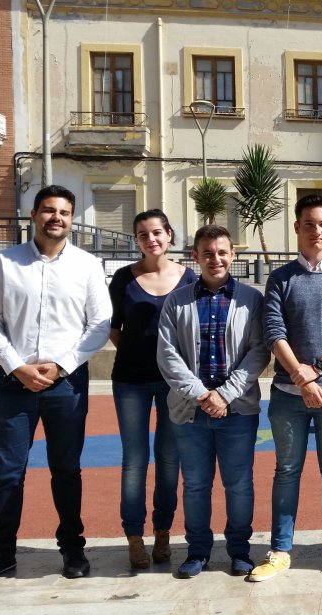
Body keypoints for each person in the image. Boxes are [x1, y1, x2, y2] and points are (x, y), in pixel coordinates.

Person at [0, 185, 112, 586]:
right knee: (8, 474)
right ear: (33, 215)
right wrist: (17, 367)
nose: (57, 218)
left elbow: (99, 325)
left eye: (64, 212)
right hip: (13, 385)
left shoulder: (87, 265)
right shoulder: (5, 262)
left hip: (66, 386)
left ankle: (72, 549)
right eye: (49, 210)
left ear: (72, 219)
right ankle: (1, 554)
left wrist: (61, 366)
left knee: (67, 470)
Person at [248, 195, 322, 582]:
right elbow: (273, 332)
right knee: (286, 470)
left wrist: (315, 371)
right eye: (308, 224)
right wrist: (300, 379)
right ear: (297, 228)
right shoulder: (281, 278)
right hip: (287, 395)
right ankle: (281, 550)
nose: (315, 231)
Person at [156, 225, 269, 579]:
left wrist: (225, 394)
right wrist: (203, 395)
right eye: (208, 253)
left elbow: (258, 352)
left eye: (222, 252)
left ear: (233, 255)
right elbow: (167, 355)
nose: (215, 259)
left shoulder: (252, 300)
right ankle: (198, 551)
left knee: (239, 483)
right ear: (196, 256)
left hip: (237, 410)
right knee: (195, 484)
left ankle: (239, 550)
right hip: (190, 412)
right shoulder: (177, 301)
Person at [110, 209, 197, 570]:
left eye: (157, 232)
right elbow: (113, 327)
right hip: (130, 380)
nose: (151, 239)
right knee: (133, 461)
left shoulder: (189, 278)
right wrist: (138, 353)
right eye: (143, 234)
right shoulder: (122, 279)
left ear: (170, 235)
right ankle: (134, 537)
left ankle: (163, 533)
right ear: (137, 240)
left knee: (168, 460)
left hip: (174, 383)